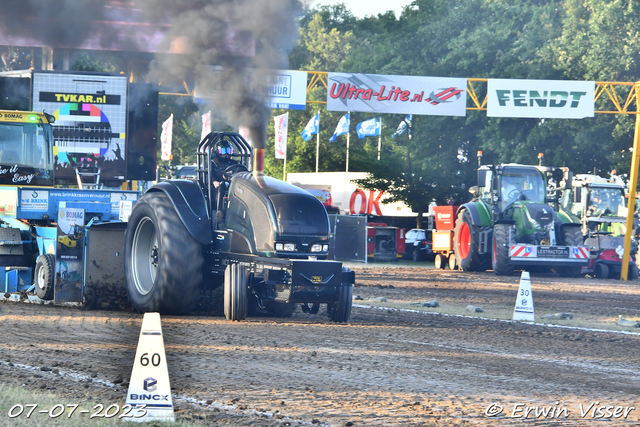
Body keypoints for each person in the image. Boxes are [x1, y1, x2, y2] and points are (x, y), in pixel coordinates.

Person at [211, 140, 239, 226]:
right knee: (221, 186)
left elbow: (241, 172)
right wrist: (214, 181)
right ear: (217, 152)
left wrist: (233, 174)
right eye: (223, 151)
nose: (226, 154)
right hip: (218, 188)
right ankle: (220, 216)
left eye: (228, 151)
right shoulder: (213, 163)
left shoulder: (234, 163)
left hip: (233, 186)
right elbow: (209, 175)